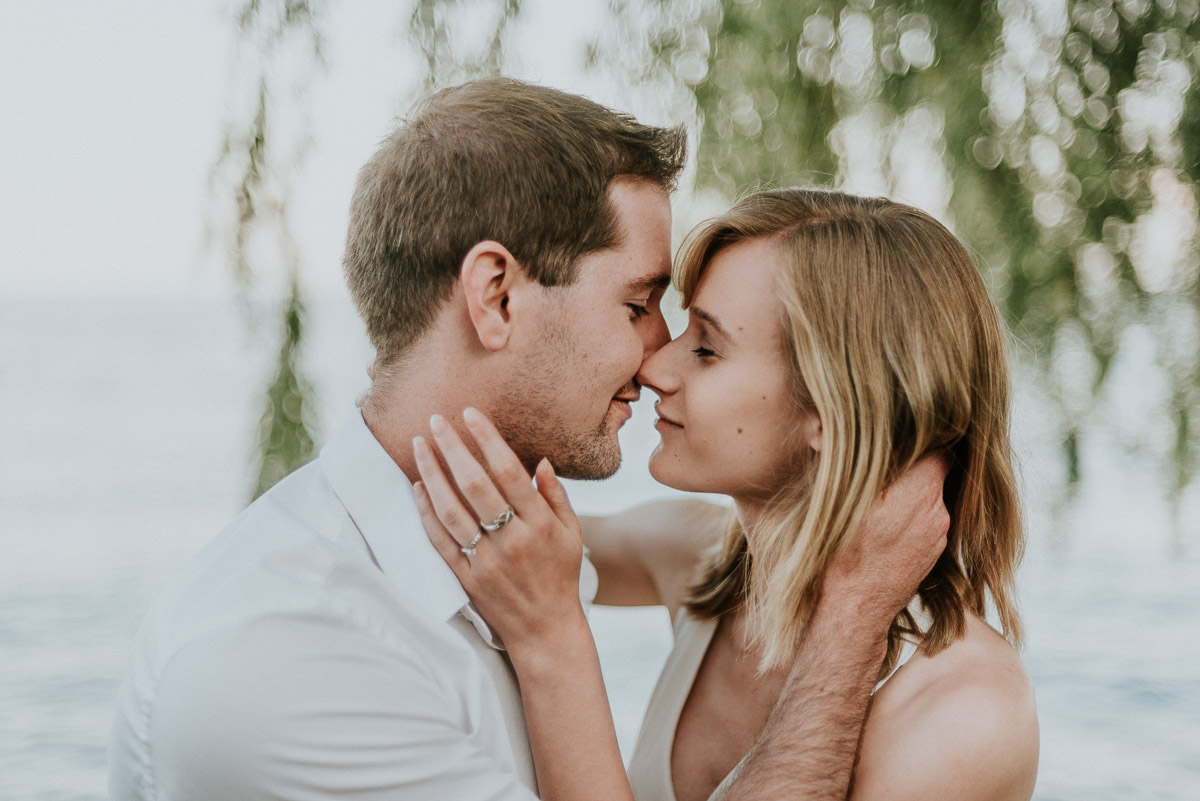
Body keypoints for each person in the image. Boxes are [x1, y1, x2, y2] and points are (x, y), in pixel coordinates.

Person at [109, 76, 947, 800]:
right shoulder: (290, 666)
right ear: (498, 296)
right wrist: (852, 611)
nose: (658, 357)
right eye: (635, 304)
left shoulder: (505, 546)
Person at [413, 188, 1040, 801]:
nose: (655, 369)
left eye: (707, 349)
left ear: (836, 409)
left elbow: (538, 592)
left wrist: (552, 636)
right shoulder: (697, 558)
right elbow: (489, 539)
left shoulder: (963, 715)